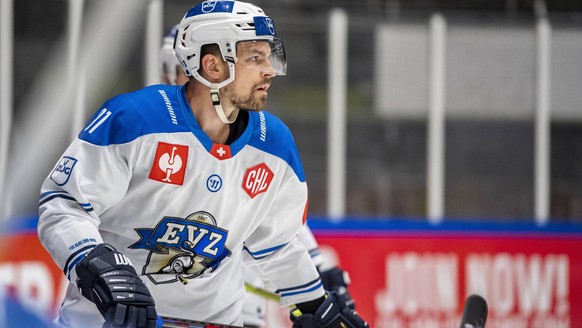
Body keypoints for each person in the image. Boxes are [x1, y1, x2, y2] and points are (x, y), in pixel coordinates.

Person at [38, 1, 368, 328]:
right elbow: (64, 206)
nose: (269, 70)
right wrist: (99, 265)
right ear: (212, 66)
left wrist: (314, 306)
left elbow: (278, 246)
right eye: (255, 58)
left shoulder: (275, 145)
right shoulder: (137, 119)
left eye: (270, 57)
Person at [160, 24, 357, 328]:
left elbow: (272, 221)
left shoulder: (255, 138)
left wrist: (319, 269)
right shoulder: (149, 130)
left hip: (229, 302)